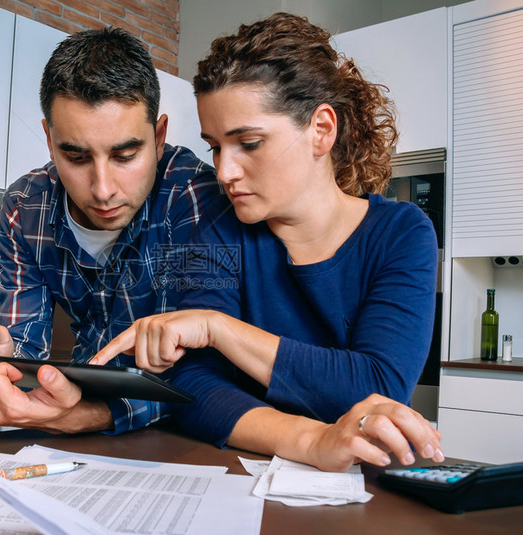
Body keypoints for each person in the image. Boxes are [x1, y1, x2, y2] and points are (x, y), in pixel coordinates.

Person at [91, 13, 443, 471]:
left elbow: (377, 386)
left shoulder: (402, 233)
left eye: (250, 144)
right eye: (215, 146)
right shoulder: (216, 223)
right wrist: (313, 439)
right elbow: (191, 386)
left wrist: (219, 327)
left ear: (321, 130)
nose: (224, 172)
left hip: (361, 485)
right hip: (244, 472)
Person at [0, 27, 222, 435]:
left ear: (158, 138)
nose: (103, 190)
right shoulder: (24, 208)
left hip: (176, 433)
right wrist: (3, 357)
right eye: (76, 156)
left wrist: (89, 417)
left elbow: (209, 371)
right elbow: (26, 341)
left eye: (125, 155)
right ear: (49, 140)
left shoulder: (196, 197)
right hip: (74, 415)